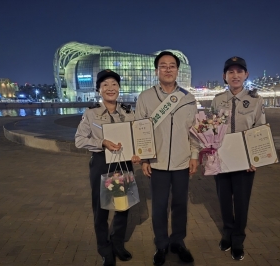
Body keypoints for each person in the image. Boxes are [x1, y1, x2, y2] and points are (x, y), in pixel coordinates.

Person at [134, 51, 199, 266]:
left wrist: (195, 155)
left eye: (172, 65)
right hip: (157, 163)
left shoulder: (188, 98)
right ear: (157, 70)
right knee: (159, 206)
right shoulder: (145, 97)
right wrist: (144, 159)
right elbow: (140, 130)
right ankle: (161, 244)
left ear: (177, 70)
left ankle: (178, 242)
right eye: (163, 66)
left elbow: (195, 131)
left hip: (182, 161)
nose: (168, 69)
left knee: (180, 204)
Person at [75, 69, 140, 266]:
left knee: (122, 207)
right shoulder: (91, 113)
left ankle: (117, 243)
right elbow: (79, 140)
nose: (110, 88)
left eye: (114, 84)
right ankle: (104, 248)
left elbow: (137, 138)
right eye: (105, 85)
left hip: (122, 164)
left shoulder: (129, 113)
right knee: (101, 209)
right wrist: (102, 142)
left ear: (119, 88)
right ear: (99, 90)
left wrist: (138, 153)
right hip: (101, 164)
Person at [211, 56, 266, 261]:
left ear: (246, 75)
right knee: (224, 199)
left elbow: (259, 129)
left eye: (239, 71)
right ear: (225, 76)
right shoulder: (217, 100)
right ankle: (227, 233)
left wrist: (255, 159)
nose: (235, 75)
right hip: (222, 159)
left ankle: (238, 239)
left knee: (241, 201)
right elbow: (210, 129)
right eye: (230, 72)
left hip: (245, 161)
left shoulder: (255, 100)